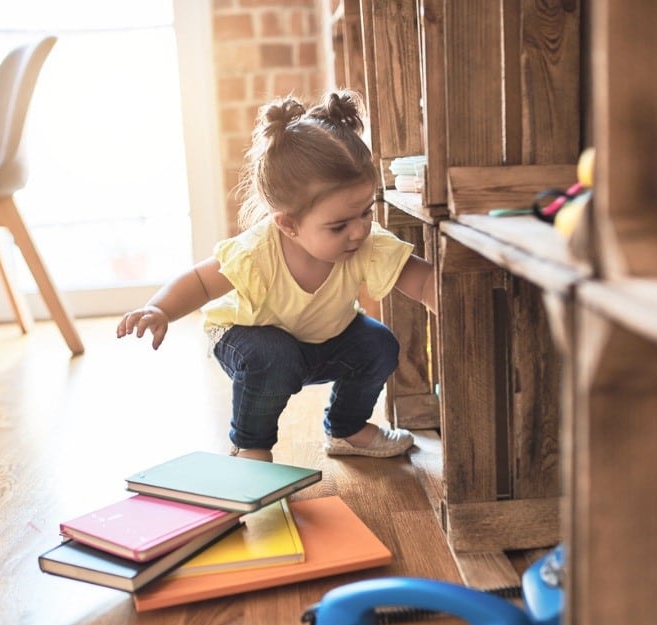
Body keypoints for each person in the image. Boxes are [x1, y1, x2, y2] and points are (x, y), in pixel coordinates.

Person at [116, 90, 435, 462]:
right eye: (338, 226)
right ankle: (251, 445)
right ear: (288, 225)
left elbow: (420, 279)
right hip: (247, 339)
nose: (359, 231)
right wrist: (159, 310)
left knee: (379, 344)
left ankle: (347, 429)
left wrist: (444, 299)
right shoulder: (258, 252)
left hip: (320, 341)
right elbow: (201, 282)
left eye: (366, 212)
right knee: (275, 355)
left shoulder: (366, 243)